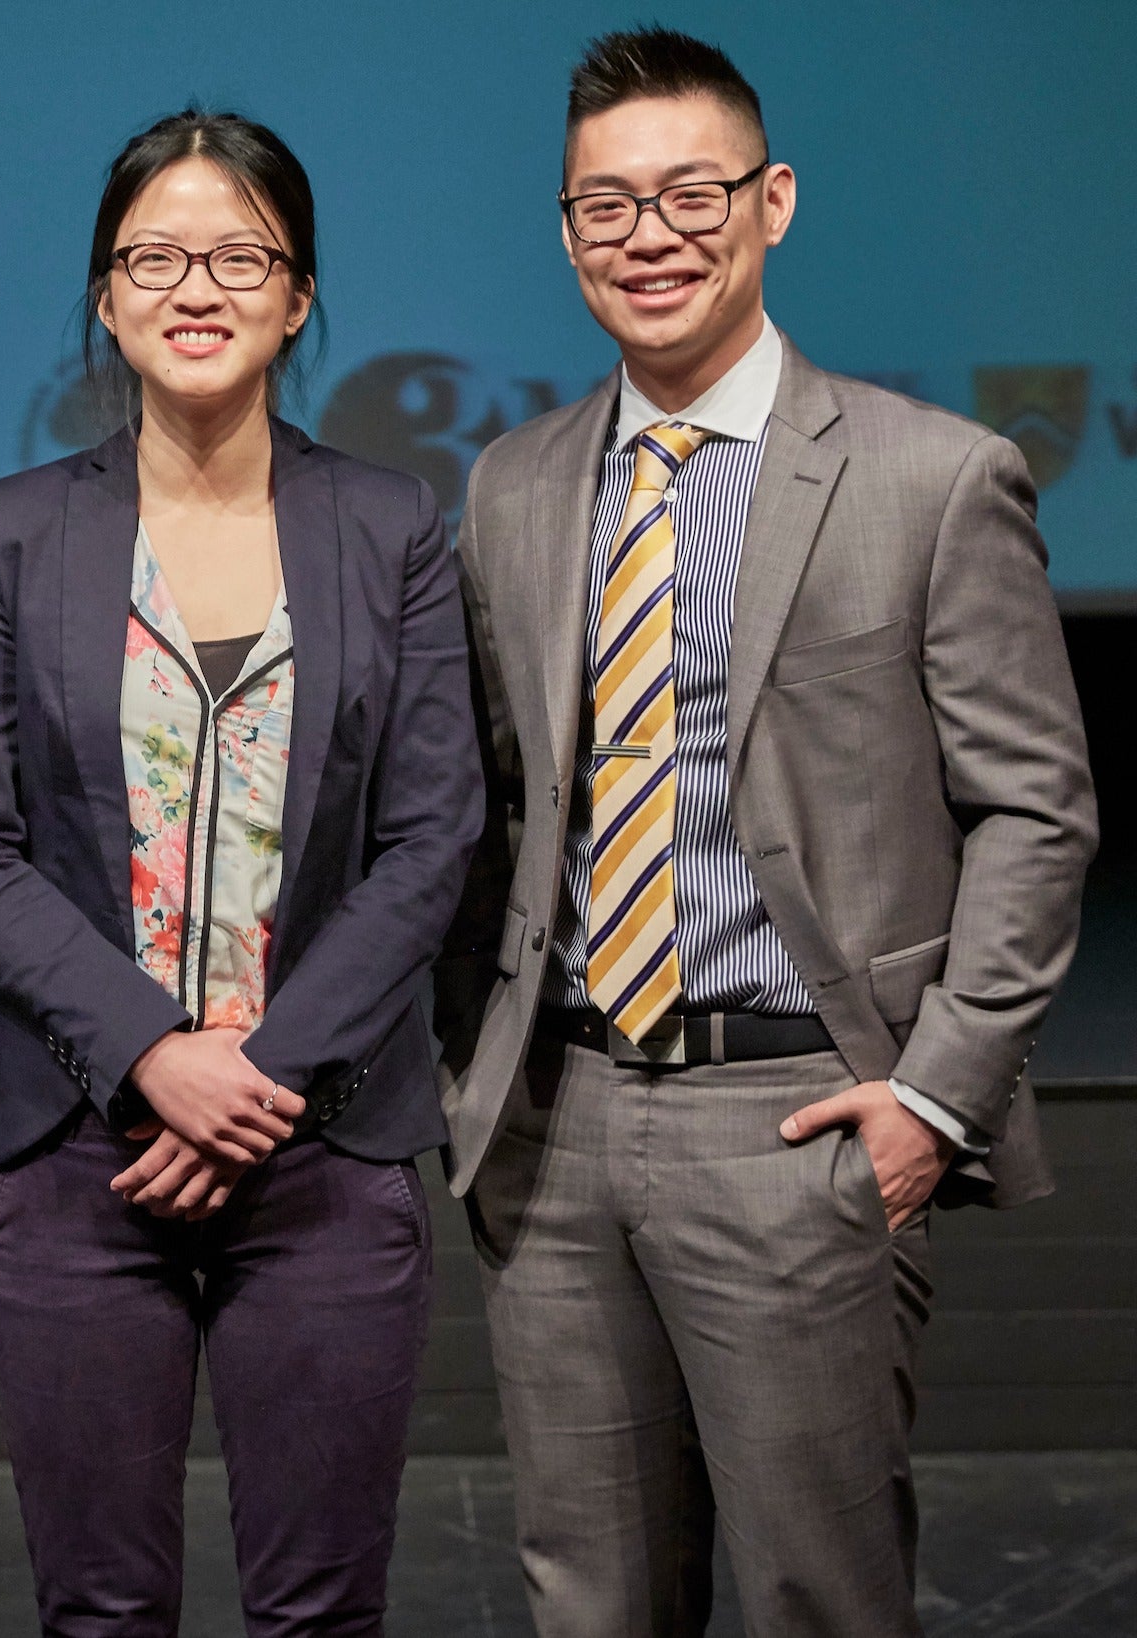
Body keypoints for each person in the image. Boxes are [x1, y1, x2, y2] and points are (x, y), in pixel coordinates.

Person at [434, 27, 1098, 1636]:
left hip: (803, 1112)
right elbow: (505, 802)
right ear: (568, 227)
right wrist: (481, 1076)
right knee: (586, 1593)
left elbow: (1036, 807)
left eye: (690, 194)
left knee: (819, 1594)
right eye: (606, 206)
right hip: (562, 1120)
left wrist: (932, 1098)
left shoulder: (934, 476)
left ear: (774, 200)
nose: (648, 236)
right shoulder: (512, 487)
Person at [0, 109, 482, 1637]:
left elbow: (435, 835)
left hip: (326, 1151)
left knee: (320, 1609)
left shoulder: (389, 525)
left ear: (299, 296)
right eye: (154, 254)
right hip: (78, 1153)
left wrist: (262, 1072)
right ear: (104, 297)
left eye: (241, 252)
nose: (197, 284)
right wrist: (158, 1056)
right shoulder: (16, 534)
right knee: (100, 1610)